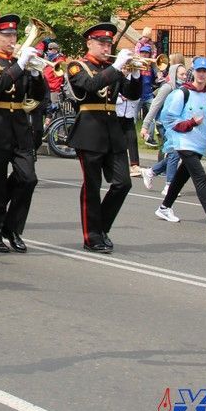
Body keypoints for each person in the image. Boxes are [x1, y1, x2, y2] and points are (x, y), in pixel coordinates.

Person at [65, 23, 141, 253]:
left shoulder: (113, 67)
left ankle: (101, 227)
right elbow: (89, 86)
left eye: (109, 43)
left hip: (112, 130)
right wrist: (117, 68)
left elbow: (132, 95)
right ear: (89, 43)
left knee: (123, 183)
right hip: (89, 130)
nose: (106, 47)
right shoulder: (78, 67)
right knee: (92, 186)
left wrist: (136, 75)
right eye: (101, 43)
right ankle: (92, 236)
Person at [0, 13, 45, 254]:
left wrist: (36, 75)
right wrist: (21, 66)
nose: (13, 38)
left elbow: (37, 96)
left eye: (14, 34)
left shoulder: (20, 62)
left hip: (19, 126)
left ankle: (11, 228)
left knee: (28, 178)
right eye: (7, 34)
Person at [154, 57, 206, 225]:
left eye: (205, 71)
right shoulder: (182, 92)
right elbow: (167, 118)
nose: (201, 74)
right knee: (200, 177)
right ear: (193, 72)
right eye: (199, 71)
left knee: (182, 176)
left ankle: (164, 207)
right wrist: (189, 123)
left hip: (198, 143)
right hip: (183, 142)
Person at [140, 63, 188, 193]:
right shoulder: (167, 87)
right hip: (164, 124)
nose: (184, 77)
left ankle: (151, 172)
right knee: (174, 153)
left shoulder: (184, 88)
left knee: (175, 153)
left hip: (177, 125)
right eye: (181, 74)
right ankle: (169, 185)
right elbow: (155, 106)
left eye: (185, 74)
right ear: (174, 74)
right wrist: (145, 126)